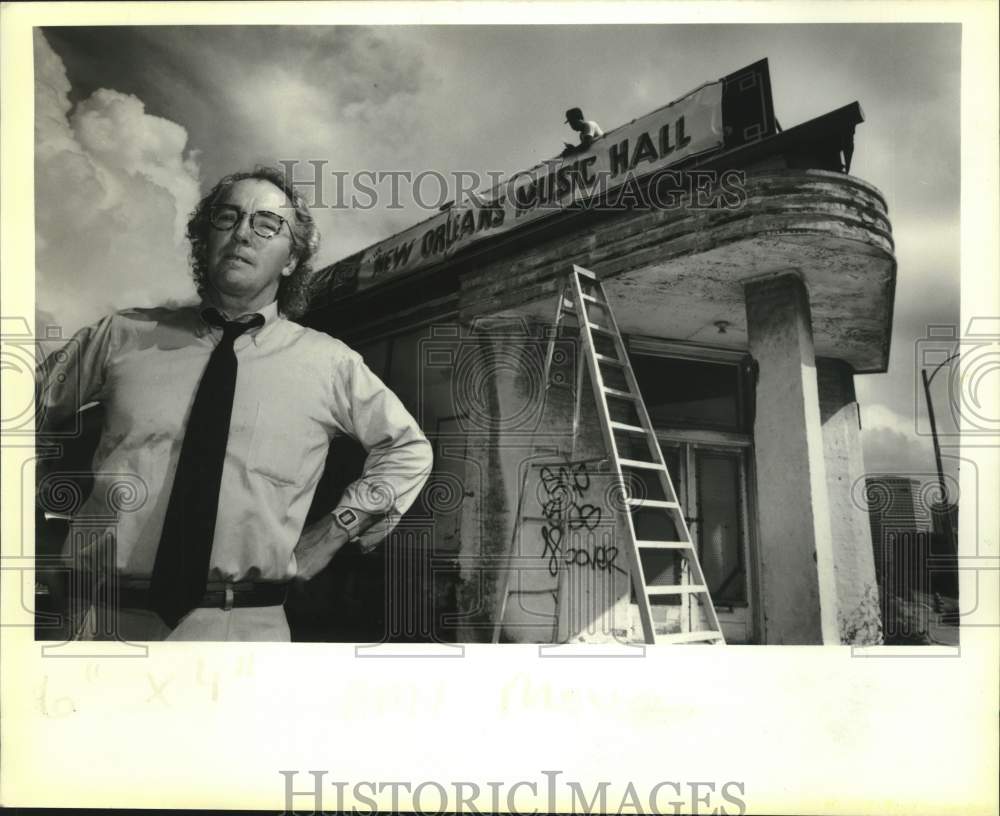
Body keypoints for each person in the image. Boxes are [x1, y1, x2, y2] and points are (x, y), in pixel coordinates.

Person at [35, 166, 433, 642]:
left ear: (291, 259)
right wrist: (29, 534)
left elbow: (408, 449)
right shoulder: (121, 336)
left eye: (267, 223)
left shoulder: (330, 364)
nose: (244, 232)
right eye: (228, 217)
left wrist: (336, 530)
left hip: (242, 628)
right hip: (100, 619)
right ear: (205, 239)